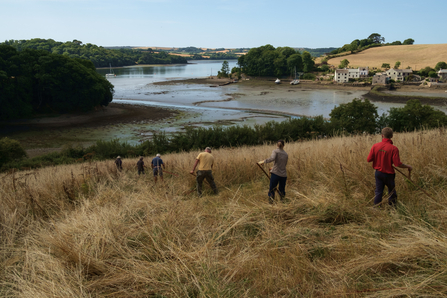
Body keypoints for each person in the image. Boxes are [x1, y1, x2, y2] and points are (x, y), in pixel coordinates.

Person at [367, 127, 412, 206]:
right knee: (391, 191)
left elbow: (369, 159)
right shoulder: (394, 149)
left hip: (378, 173)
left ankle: (376, 208)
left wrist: (378, 158)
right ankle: (393, 208)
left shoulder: (375, 146)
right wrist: (408, 166)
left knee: (378, 191)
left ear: (382, 136)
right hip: (389, 174)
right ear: (391, 136)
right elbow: (397, 164)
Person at [258, 140, 288, 204]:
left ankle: (271, 203)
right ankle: (282, 202)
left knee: (272, 189)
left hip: (276, 174)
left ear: (277, 145)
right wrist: (273, 167)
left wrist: (263, 161)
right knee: (282, 189)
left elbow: (272, 158)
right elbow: (283, 164)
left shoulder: (275, 151)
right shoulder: (286, 154)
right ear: (283, 146)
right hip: (283, 175)